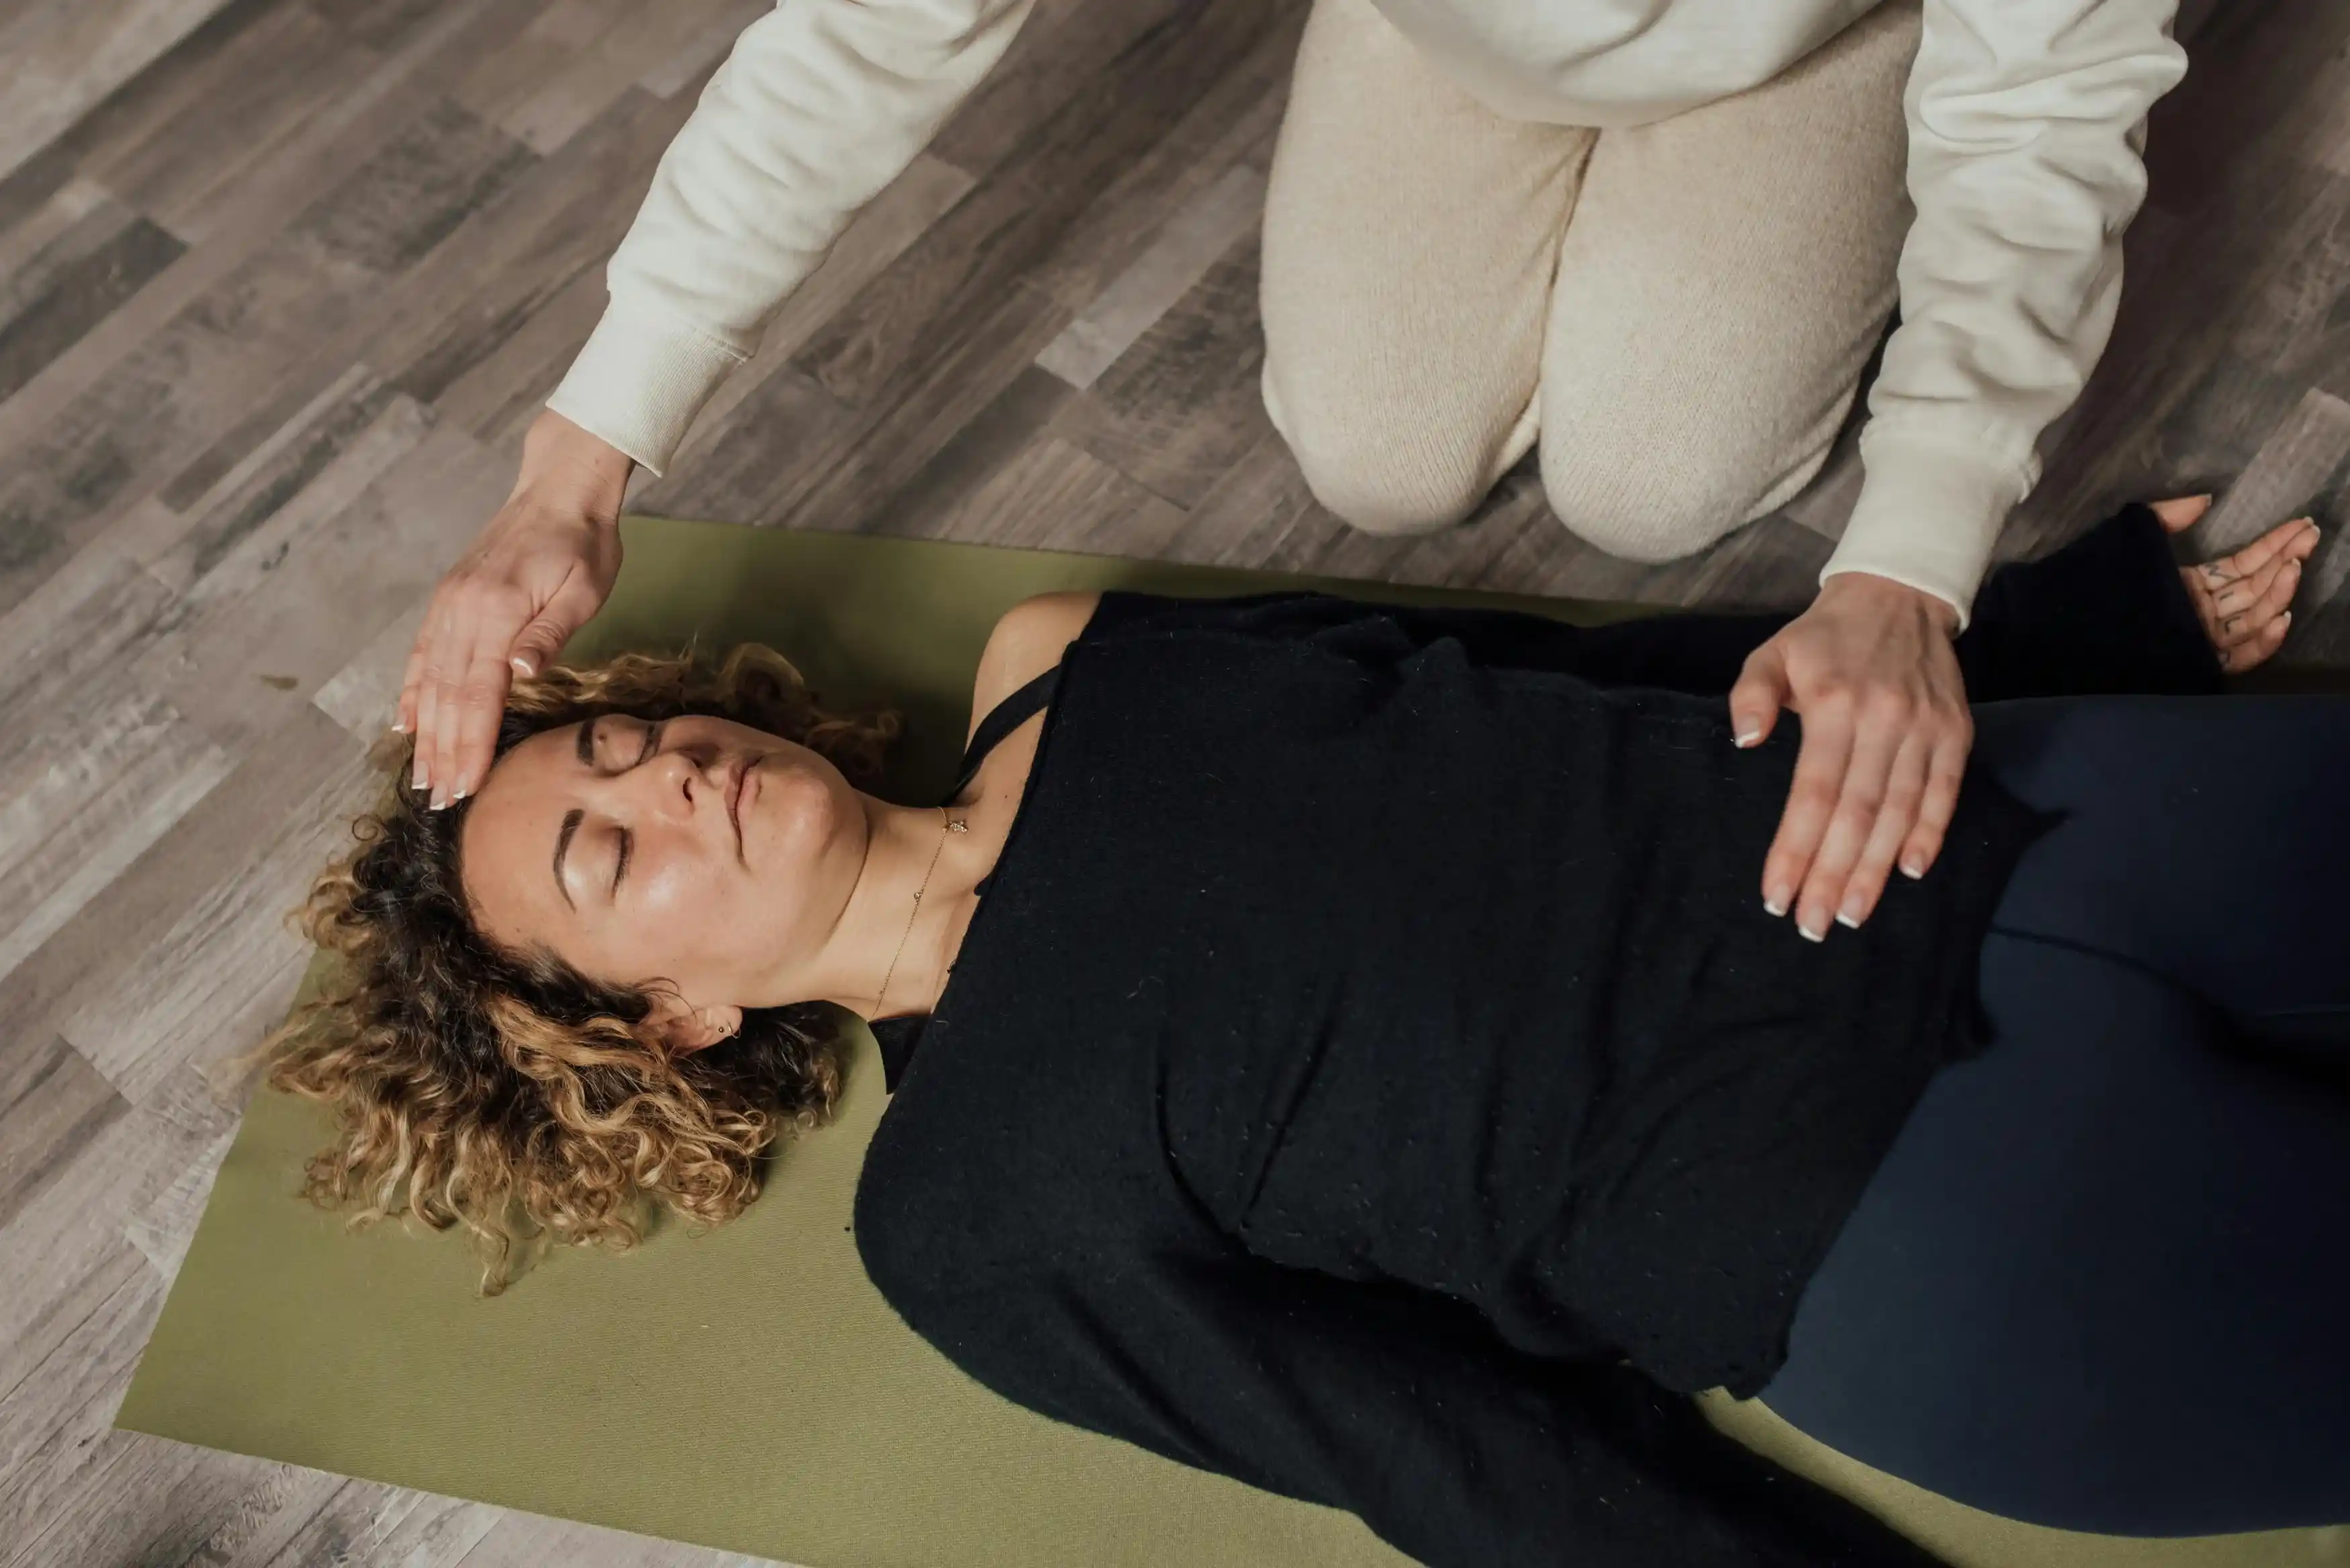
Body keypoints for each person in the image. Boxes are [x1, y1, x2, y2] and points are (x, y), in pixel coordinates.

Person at [265, 495, 2345, 1566]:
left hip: (1967, 825)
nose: (669, 781)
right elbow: (1450, 1457)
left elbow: (1573, 678)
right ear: (675, 1020)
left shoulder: (1068, 655)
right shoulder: (968, 1221)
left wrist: (2074, 630)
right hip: (1925, 1242)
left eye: (622, 740)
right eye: (611, 857)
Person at [395, 0, 2192, 950]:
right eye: (611, 833)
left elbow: (2041, 119)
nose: (678, 783)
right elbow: (864, 32)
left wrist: (1913, 564)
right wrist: (576, 463)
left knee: (1657, 484)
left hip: (1812, 28)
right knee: (1378, 454)